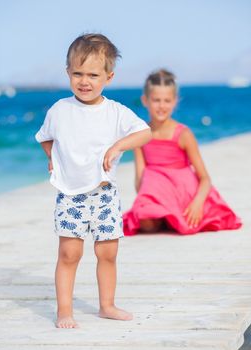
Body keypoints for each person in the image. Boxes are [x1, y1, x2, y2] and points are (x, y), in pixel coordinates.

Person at [35, 34, 151, 328]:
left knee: (107, 252)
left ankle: (107, 305)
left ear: (108, 77)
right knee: (69, 253)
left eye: (93, 75)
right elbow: (45, 137)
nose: (84, 81)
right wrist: (53, 158)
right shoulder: (60, 110)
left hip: (104, 194)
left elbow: (145, 132)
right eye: (77, 73)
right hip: (70, 195)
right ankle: (64, 310)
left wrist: (118, 146)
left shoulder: (115, 112)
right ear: (67, 73)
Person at [123, 69, 242, 236]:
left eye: (167, 101)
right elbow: (140, 179)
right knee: (145, 221)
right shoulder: (140, 135)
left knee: (182, 220)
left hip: (184, 193)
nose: (161, 106)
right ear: (145, 100)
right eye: (156, 100)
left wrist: (197, 204)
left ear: (175, 101)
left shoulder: (183, 134)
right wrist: (146, 202)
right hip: (156, 191)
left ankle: (171, 214)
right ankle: (163, 214)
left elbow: (205, 178)